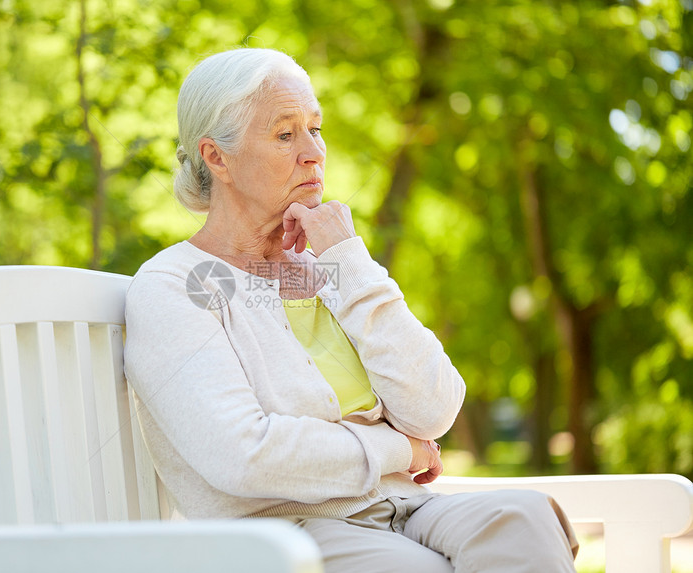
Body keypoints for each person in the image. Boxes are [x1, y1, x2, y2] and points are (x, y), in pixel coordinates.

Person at [123, 48, 578, 572]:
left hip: (404, 507)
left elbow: (434, 409)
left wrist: (350, 260)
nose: (313, 152)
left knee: (525, 518)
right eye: (285, 134)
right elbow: (243, 455)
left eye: (316, 129)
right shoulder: (173, 287)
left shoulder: (331, 269)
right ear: (217, 157)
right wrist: (399, 452)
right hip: (283, 534)